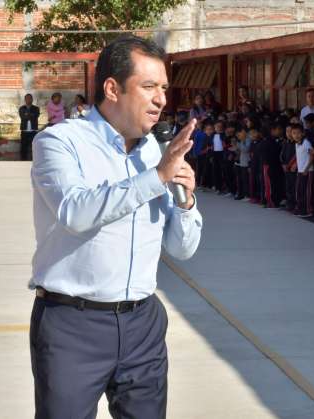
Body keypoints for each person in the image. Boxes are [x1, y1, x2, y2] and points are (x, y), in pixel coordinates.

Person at [29, 35, 202, 419]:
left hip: (143, 325)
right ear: (112, 88)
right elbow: (74, 213)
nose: (161, 99)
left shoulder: (154, 151)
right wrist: (156, 178)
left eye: (164, 89)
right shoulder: (60, 142)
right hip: (73, 325)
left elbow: (182, 248)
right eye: (149, 87)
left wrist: (186, 201)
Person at [292, 123, 314, 217]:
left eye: (298, 133)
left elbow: (313, 154)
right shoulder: (297, 144)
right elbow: (300, 157)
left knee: (307, 191)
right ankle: (300, 208)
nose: (296, 135)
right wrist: (296, 165)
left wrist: (306, 168)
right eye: (294, 133)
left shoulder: (306, 142)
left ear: (302, 133)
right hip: (300, 171)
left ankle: (308, 210)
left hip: (308, 171)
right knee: (300, 190)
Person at [18, 94, 40, 161]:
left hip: (33, 131)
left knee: (34, 147)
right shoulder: (21, 108)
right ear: (25, 100)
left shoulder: (36, 108)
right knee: (23, 147)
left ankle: (34, 160)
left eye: (30, 98)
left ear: (32, 99)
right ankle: (23, 161)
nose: (28, 100)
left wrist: (27, 115)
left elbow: (35, 116)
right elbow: (23, 117)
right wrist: (30, 115)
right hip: (24, 130)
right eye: (27, 98)